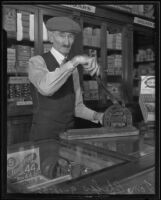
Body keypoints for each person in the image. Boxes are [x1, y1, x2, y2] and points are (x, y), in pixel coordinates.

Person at [28, 16, 104, 141]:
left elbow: (76, 107)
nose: (67, 42)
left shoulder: (72, 69)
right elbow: (46, 88)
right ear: (51, 37)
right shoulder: (36, 62)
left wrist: (98, 115)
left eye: (71, 36)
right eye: (62, 35)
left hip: (68, 134)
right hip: (44, 136)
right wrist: (76, 60)